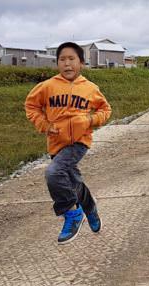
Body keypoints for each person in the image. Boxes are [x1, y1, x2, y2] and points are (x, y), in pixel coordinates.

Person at [25, 42, 111, 245]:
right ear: (57, 64)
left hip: (79, 141)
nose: (67, 63)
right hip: (56, 143)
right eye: (62, 59)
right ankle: (90, 209)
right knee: (74, 182)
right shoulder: (47, 86)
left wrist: (90, 120)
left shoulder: (90, 88)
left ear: (81, 62)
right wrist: (44, 125)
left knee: (53, 173)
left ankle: (71, 212)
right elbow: (31, 105)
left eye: (72, 59)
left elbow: (105, 109)